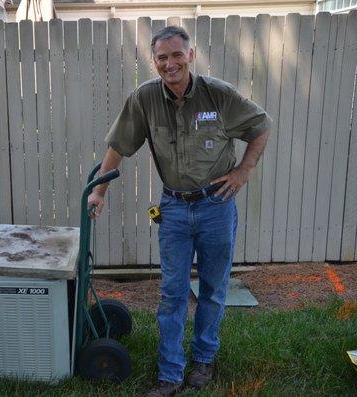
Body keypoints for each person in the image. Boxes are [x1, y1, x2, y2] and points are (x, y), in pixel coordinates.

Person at [88, 26, 271, 397]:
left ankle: (203, 359)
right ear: (153, 61)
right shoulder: (144, 99)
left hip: (216, 205)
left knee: (213, 288)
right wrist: (99, 191)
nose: (169, 64)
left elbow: (260, 125)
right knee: (171, 293)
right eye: (161, 58)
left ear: (190, 55)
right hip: (173, 208)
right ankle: (170, 374)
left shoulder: (217, 95)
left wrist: (243, 172)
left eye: (176, 55)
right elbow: (118, 146)